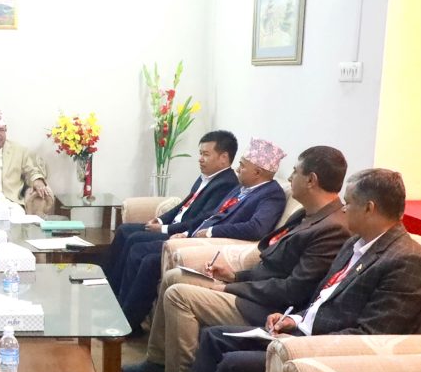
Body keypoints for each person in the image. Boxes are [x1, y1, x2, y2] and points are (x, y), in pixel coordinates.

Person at [131, 169, 421, 372]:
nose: (344, 209)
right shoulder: (355, 244)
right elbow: (321, 298)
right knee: (214, 337)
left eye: (349, 202)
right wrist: (295, 319)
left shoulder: (405, 260)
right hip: (301, 331)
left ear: (369, 208)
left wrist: (297, 340)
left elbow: (373, 337)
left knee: (233, 362)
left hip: (323, 350)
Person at [125, 146, 351, 372]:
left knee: (179, 296)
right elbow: (269, 263)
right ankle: (157, 361)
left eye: (295, 171)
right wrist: (234, 275)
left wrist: (230, 287)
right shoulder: (306, 215)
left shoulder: (332, 228)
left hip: (268, 307)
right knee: (174, 276)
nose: (290, 177)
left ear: (311, 180)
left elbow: (293, 290)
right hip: (254, 289)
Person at [112, 137, 289, 335]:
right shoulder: (241, 188)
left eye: (242, 165)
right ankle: (119, 310)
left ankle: (127, 324)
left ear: (257, 172)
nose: (237, 169)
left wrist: (211, 232)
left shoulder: (271, 195)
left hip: (211, 247)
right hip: (195, 238)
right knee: (138, 246)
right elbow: (212, 215)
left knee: (148, 257)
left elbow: (256, 228)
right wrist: (186, 233)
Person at [104, 130, 240, 290]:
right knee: (123, 230)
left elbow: (202, 219)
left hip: (181, 234)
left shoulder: (227, 184)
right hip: (172, 226)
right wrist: (161, 219)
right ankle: (107, 283)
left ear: (223, 157)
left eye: (206, 154)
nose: (200, 159)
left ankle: (115, 291)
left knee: (135, 240)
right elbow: (184, 204)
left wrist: (165, 228)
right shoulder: (207, 176)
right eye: (200, 153)